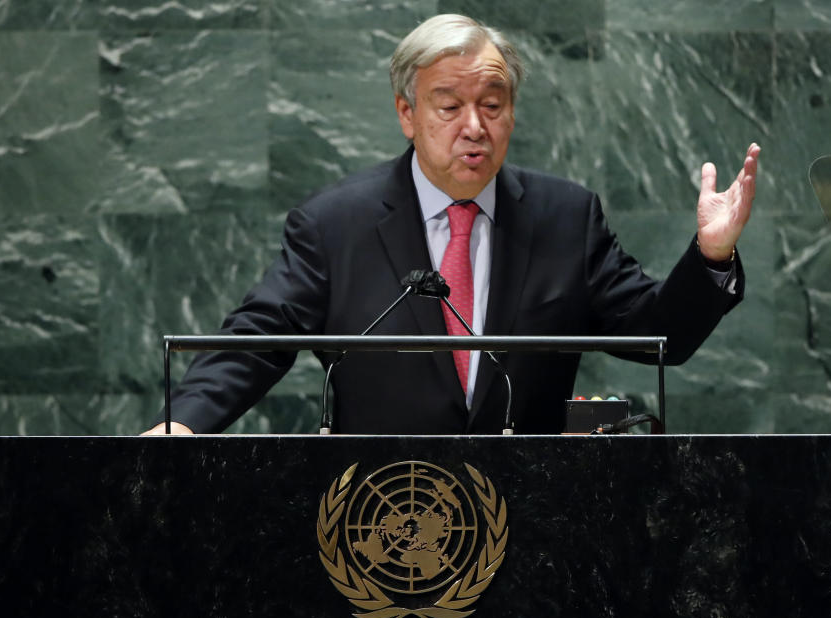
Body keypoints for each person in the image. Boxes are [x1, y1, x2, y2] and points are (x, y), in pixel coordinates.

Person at [144, 14, 759, 436]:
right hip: (379, 521)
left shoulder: (564, 219)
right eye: (449, 106)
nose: (474, 126)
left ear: (512, 114)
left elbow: (659, 338)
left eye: (492, 106)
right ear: (407, 115)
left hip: (538, 524)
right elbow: (259, 339)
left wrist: (711, 256)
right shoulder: (337, 225)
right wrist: (185, 421)